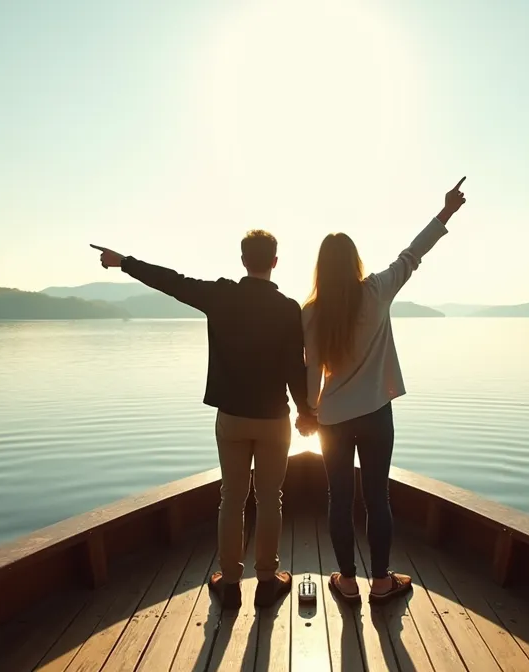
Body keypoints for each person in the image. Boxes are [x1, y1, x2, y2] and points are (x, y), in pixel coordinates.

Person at [90, 231, 313, 609]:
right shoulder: (289, 308)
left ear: (243, 260)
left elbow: (172, 282)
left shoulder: (221, 295)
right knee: (270, 499)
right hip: (274, 418)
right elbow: (296, 368)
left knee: (232, 498)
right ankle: (265, 581)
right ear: (275, 262)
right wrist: (307, 412)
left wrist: (123, 261)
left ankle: (228, 584)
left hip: (232, 418)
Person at [302, 177, 467, 604]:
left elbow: (311, 372)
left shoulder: (313, 313)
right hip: (377, 414)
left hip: (333, 421)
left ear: (320, 266)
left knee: (339, 500)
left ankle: (347, 582)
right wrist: (445, 212)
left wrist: (309, 411)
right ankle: (380, 582)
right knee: (378, 496)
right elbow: (411, 255)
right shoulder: (376, 290)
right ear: (354, 261)